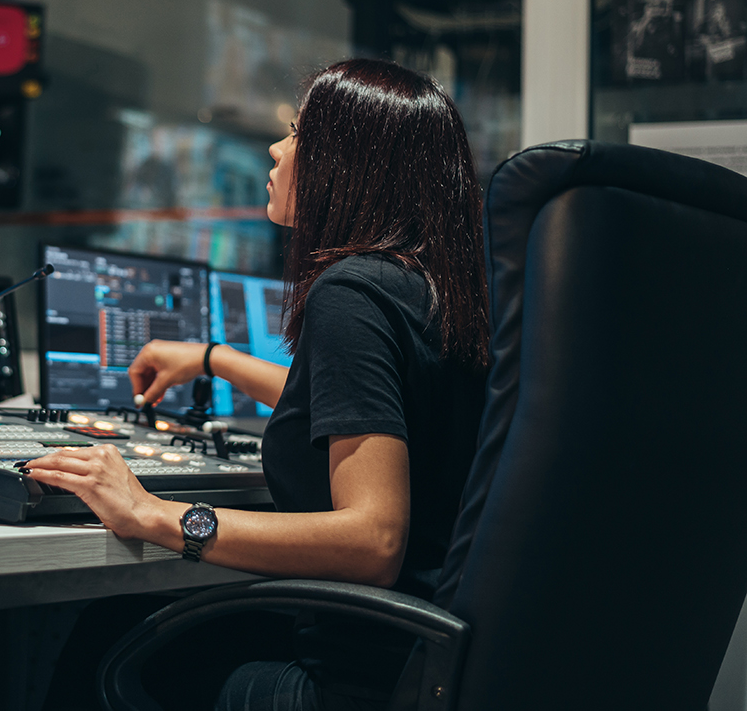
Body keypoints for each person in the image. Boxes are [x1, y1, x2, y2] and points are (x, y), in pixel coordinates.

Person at [30, 60, 491, 711]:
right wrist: (214, 358)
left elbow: (374, 540)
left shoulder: (350, 291)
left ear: (346, 160)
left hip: (356, 686)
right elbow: (356, 406)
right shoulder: (433, 288)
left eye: (298, 131)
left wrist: (154, 513)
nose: (276, 149)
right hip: (432, 666)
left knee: (108, 633)